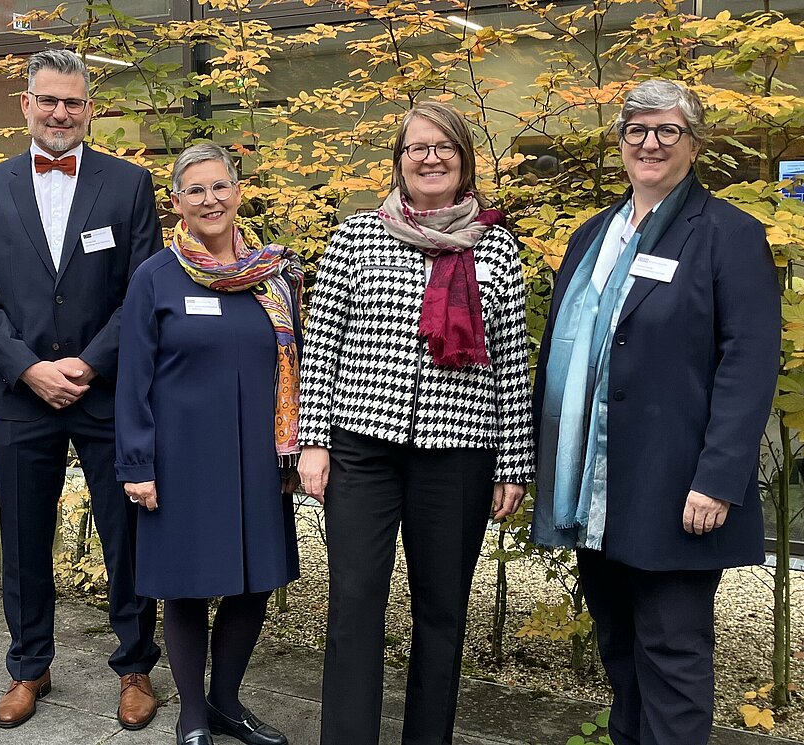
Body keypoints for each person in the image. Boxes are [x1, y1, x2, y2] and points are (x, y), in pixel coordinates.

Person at [530, 79, 781, 745]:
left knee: (671, 655)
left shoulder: (729, 235)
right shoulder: (592, 237)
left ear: (694, 144)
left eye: (667, 130)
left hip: (679, 488)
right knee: (620, 653)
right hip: (593, 487)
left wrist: (719, 477)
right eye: (637, 129)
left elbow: (749, 362)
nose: (651, 142)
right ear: (620, 144)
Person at [298, 101, 535, 745]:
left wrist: (514, 463)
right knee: (353, 606)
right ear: (399, 162)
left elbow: (511, 360)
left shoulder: (496, 247)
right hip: (361, 450)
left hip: (457, 453)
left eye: (444, 148)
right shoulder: (355, 237)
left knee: (441, 610)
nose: (430, 158)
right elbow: (322, 345)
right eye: (416, 148)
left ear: (463, 161)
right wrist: (313, 442)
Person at [0, 48, 162, 730]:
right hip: (20, 392)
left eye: (73, 101)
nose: (60, 112)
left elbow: (143, 288)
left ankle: (135, 664)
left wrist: (88, 364)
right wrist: (27, 367)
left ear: (89, 108)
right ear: (26, 105)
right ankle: (28, 664)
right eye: (48, 100)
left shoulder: (130, 184)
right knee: (23, 535)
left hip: (107, 392)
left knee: (125, 533)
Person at [116, 143, 302, 745]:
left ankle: (226, 701)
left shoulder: (274, 278)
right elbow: (133, 379)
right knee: (186, 584)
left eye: (219, 186)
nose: (210, 199)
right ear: (177, 203)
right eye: (195, 190)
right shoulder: (156, 277)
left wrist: (299, 448)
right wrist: (137, 463)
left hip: (257, 459)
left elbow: (298, 365)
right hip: (181, 462)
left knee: (255, 579)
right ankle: (193, 713)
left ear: (238, 191)